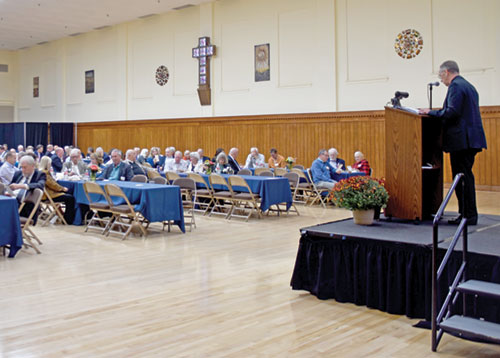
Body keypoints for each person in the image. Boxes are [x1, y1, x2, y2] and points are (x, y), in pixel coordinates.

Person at [419, 60, 487, 225]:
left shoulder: (456, 86)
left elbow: (452, 112)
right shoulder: (468, 86)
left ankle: (467, 216)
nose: (441, 80)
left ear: (447, 72)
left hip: (461, 141)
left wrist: (432, 113)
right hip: (470, 139)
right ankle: (468, 214)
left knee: (461, 179)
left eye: (441, 76)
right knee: (465, 177)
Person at [39, 156, 76, 224]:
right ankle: (68, 220)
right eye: (49, 163)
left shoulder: (39, 172)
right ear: (46, 164)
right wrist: (62, 188)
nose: (50, 165)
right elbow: (52, 185)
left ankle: (63, 215)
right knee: (71, 198)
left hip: (44, 195)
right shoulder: (45, 173)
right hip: (49, 196)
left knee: (68, 195)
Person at [9, 156, 46, 221]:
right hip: (12, 202)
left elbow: (40, 185)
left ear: (32, 166)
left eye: (25, 167)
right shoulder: (18, 173)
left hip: (25, 208)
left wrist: (22, 186)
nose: (23, 170)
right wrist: (8, 191)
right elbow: (10, 186)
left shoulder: (40, 175)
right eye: (21, 167)